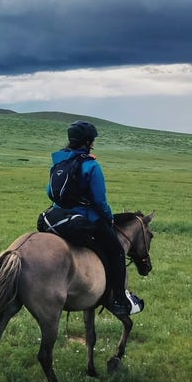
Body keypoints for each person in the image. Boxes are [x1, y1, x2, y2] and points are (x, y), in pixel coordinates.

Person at [46, 120, 133, 316]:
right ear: (88, 142)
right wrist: (109, 219)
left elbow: (50, 192)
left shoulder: (59, 162)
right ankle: (119, 300)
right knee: (118, 252)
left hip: (58, 217)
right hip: (85, 220)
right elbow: (100, 201)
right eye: (92, 140)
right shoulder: (91, 166)